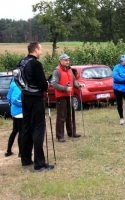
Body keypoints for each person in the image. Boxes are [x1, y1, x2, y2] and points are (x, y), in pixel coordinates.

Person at [21, 41, 54, 172]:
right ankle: (39, 164)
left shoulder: (22, 62)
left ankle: (26, 159)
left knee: (26, 127)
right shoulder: (36, 64)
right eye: (40, 49)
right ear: (35, 50)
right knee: (38, 129)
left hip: (25, 97)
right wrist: (46, 83)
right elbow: (43, 84)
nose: (41, 51)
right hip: (35, 99)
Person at [52, 54, 83, 142]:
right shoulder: (57, 71)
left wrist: (78, 85)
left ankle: (72, 132)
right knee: (61, 116)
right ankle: (60, 136)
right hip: (61, 96)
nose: (67, 62)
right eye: (66, 60)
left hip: (70, 95)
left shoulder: (69, 69)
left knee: (71, 114)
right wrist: (65, 88)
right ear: (61, 61)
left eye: (68, 60)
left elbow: (73, 80)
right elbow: (54, 84)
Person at [5, 78, 22, 157]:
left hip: (14, 112)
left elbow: (8, 97)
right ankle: (21, 152)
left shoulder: (12, 83)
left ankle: (8, 151)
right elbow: (15, 100)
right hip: (20, 112)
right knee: (21, 133)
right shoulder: (18, 85)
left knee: (15, 131)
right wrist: (25, 104)